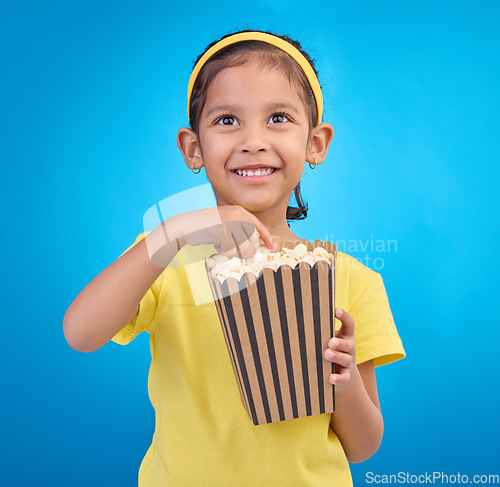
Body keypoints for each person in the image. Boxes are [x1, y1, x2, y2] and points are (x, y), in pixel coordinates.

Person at [64, 29, 405, 486]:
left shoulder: (350, 279)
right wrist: (174, 231)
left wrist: (341, 380)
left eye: (278, 117)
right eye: (227, 121)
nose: (253, 140)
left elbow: (363, 447)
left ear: (316, 144)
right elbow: (81, 333)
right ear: (193, 148)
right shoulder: (164, 258)